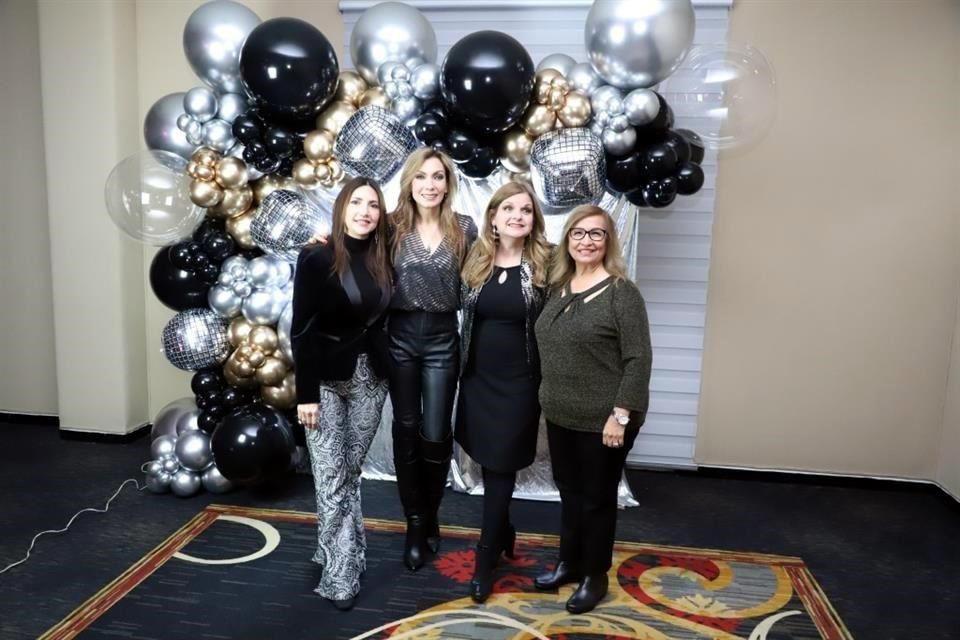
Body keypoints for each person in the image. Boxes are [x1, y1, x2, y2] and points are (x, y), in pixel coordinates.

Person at [533, 204, 652, 615]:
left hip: (606, 421)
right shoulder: (559, 285)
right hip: (562, 414)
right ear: (567, 240)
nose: (587, 241)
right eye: (578, 233)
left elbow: (638, 359)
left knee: (597, 499)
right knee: (568, 493)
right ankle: (569, 562)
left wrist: (620, 415)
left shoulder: (621, 293)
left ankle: (594, 575)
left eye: (596, 234)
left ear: (608, 241)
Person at [291, 177, 393, 611]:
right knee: (331, 477)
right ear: (342, 207)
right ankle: (341, 574)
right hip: (325, 382)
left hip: (372, 378)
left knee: (348, 473)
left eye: (373, 204)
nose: (365, 211)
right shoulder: (315, 256)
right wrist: (306, 394)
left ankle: (339, 549)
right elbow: (301, 329)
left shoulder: (387, 255)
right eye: (357, 203)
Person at [455, 181, 551, 603]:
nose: (517, 215)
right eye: (508, 208)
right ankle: (506, 530)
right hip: (477, 381)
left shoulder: (547, 264)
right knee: (490, 466)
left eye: (525, 210)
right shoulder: (475, 261)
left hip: (519, 385)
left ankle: (485, 556)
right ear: (493, 217)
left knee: (501, 468)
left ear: (534, 219)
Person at [387, 148, 478, 571]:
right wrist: (322, 242)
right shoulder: (390, 228)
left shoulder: (464, 228)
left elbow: (484, 278)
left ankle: (432, 511)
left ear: (448, 184)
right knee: (405, 430)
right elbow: (352, 251)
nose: (429, 184)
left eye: (438, 177)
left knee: (436, 434)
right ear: (410, 182)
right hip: (400, 337)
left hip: (444, 338)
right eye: (421, 176)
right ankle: (414, 522)